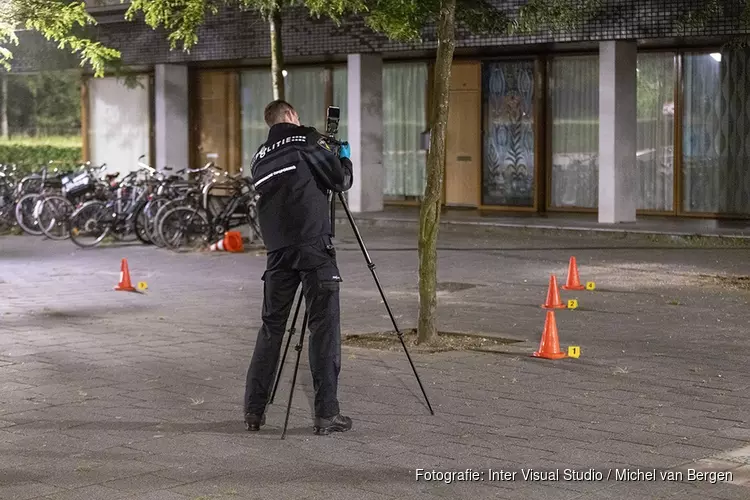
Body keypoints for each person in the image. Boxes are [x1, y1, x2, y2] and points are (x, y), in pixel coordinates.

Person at [243, 99, 354, 435]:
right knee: (323, 328)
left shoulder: (258, 157)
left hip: (277, 252)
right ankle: (326, 414)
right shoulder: (306, 139)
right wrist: (343, 157)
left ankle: (254, 412)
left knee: (271, 330)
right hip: (313, 247)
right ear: (291, 115)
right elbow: (339, 181)